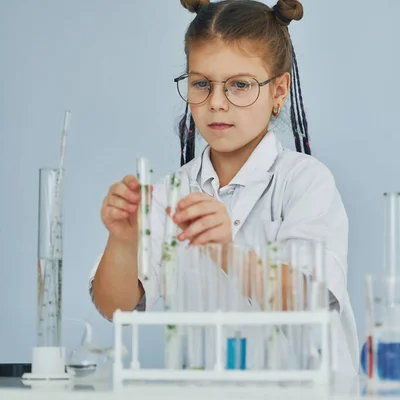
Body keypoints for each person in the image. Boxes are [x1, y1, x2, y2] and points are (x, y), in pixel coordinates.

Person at [89, 0, 359, 374]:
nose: (217, 103)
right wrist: (122, 239)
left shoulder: (306, 182)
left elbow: (311, 300)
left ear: (279, 90)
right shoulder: (171, 192)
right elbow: (116, 306)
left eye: (240, 85)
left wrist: (227, 252)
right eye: (201, 84)